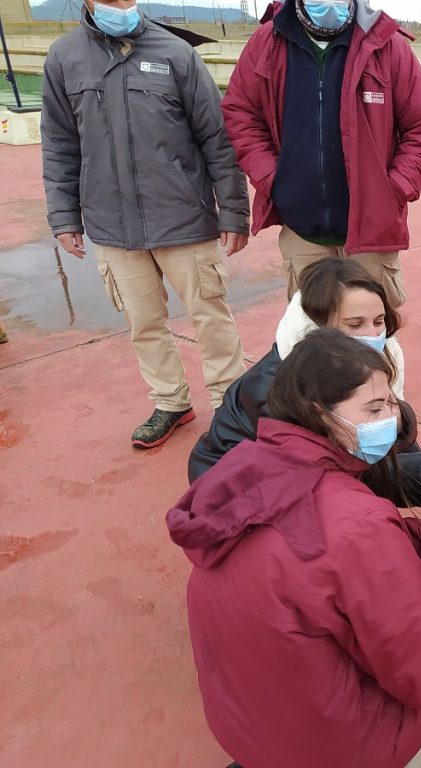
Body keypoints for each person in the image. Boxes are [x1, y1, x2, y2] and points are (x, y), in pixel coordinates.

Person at [167, 328, 421, 768]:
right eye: (375, 407)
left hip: (247, 732)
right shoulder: (357, 523)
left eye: (391, 403)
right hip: (340, 753)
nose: (393, 419)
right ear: (318, 413)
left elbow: (337, 554)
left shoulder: (244, 469)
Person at [41, 0, 250, 449]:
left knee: (210, 316)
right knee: (143, 322)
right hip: (112, 225)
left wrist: (233, 210)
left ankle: (231, 405)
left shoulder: (177, 53)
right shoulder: (64, 57)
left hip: (184, 217)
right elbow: (59, 143)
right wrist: (64, 214)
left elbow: (217, 138)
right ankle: (171, 401)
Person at [221, 0, 421, 389]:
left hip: (372, 231)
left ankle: (385, 415)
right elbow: (240, 114)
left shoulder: (386, 44)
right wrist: (273, 178)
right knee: (310, 335)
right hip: (303, 229)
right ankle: (320, 422)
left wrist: (393, 190)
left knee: (375, 333)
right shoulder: (267, 42)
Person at [187, 258, 421, 517]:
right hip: (234, 498)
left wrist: (414, 450)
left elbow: (383, 430)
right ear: (318, 327)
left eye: (378, 321)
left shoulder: (374, 358)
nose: (373, 335)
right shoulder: (280, 392)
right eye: (354, 324)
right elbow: (333, 470)